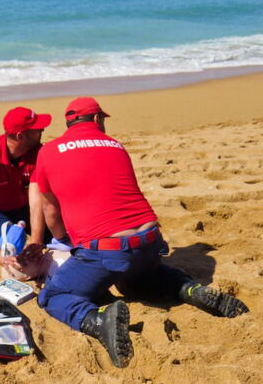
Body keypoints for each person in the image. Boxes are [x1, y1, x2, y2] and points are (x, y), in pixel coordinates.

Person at [32, 97, 249, 368]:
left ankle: (97, 320)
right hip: (149, 240)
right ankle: (187, 288)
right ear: (97, 120)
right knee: (133, 281)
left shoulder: (49, 151)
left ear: (68, 123)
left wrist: (64, 240)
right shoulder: (116, 146)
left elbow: (50, 210)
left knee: (53, 296)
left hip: (108, 250)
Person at [0, 107, 55, 280]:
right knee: (9, 248)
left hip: (25, 206)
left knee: (57, 236)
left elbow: (36, 200)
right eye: (38, 129)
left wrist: (37, 240)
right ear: (20, 136)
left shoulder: (39, 152)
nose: (42, 131)